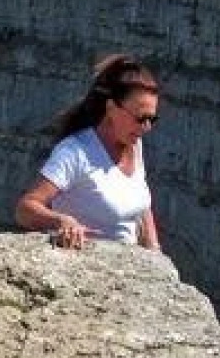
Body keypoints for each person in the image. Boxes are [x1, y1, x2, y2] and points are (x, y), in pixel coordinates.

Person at [15, 54, 162, 251]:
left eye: (152, 119)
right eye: (140, 118)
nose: (146, 127)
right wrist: (61, 221)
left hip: (129, 265)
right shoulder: (75, 152)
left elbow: (142, 204)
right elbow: (25, 209)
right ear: (111, 108)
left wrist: (154, 250)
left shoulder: (134, 144)